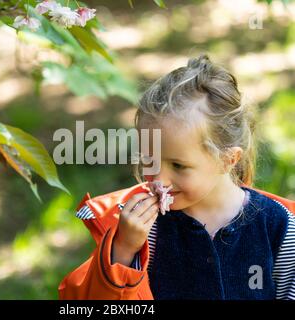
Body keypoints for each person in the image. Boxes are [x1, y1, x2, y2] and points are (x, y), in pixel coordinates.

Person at [58, 55, 295, 300]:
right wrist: (124, 249)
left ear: (228, 160)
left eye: (178, 165)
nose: (159, 179)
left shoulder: (277, 225)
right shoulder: (143, 230)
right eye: (150, 160)